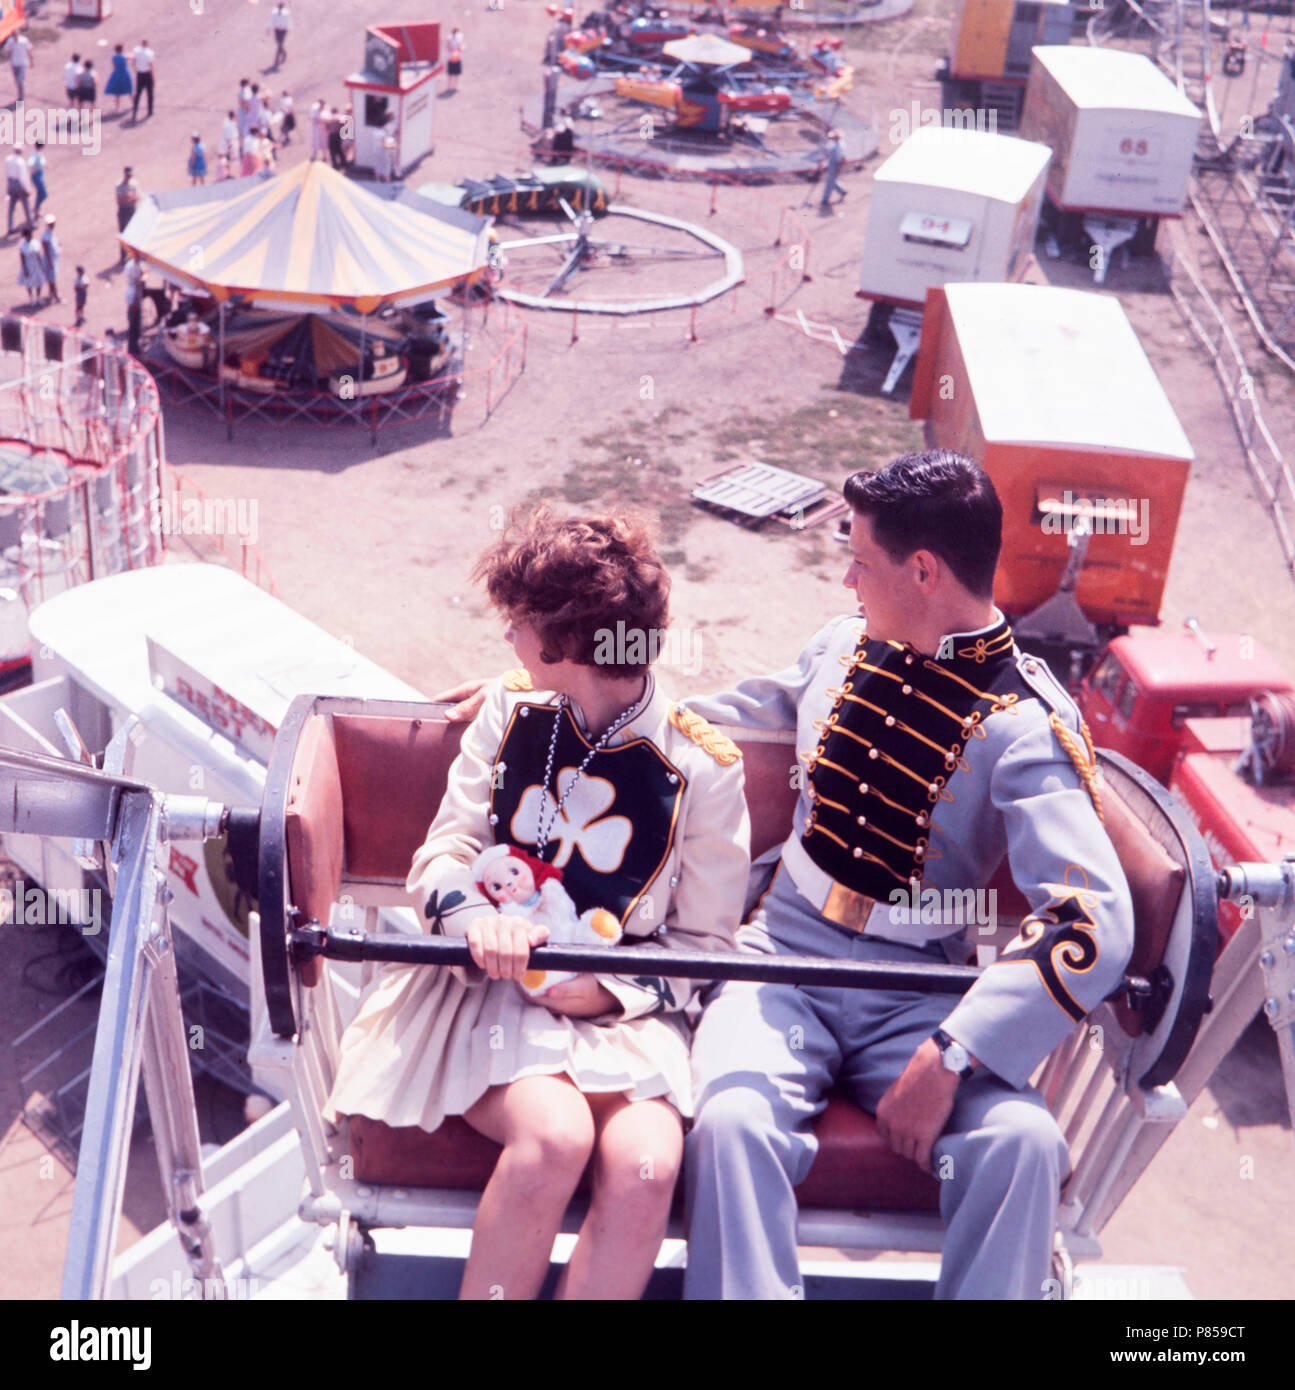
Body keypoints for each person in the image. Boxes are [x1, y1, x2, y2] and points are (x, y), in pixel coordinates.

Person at [669, 451, 1134, 1300]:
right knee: (731, 1124)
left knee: (1022, 1146)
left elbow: (1089, 919)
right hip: (780, 957)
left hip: (918, 989)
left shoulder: (1025, 724)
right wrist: (541, 699)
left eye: (859, 561)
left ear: (923, 569)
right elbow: (702, 719)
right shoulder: (839, 645)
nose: (846, 579)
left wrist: (954, 1053)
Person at [324, 508, 750, 1301]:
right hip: (484, 989)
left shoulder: (702, 766)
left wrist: (608, 991)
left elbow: (705, 944)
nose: (508, 641)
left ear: (561, 641)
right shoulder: (510, 712)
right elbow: (444, 853)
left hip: (622, 1016)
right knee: (554, 1138)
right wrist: (471, 917)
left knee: (647, 1166)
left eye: (517, 623)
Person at [115, 166, 139, 266]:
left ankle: (133, 255)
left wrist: (128, 197)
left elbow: (137, 196)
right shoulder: (119, 185)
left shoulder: (134, 183)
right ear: (124, 175)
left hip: (132, 209)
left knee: (134, 232)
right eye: (128, 175)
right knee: (123, 234)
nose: (129, 177)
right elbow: (120, 200)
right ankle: (123, 256)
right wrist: (129, 197)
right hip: (123, 210)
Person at [820, 127, 846, 211]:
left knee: (829, 183)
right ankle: (842, 190)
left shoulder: (840, 146)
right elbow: (829, 153)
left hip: (835, 164)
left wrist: (838, 168)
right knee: (832, 180)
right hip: (831, 163)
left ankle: (825, 199)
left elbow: (842, 159)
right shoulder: (834, 144)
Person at [5, 147, 30, 235]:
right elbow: (23, 177)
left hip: (11, 183)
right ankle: (30, 223)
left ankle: (10, 227)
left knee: (11, 207)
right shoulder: (21, 161)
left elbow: (6, 174)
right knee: (26, 204)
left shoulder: (8, 159)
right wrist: (27, 189)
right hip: (19, 184)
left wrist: (7, 189)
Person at [104, 43, 133, 113]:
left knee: (117, 92)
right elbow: (132, 57)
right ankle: (133, 104)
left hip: (117, 73)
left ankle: (117, 107)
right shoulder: (124, 56)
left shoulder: (113, 57)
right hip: (125, 73)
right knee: (129, 89)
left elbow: (113, 66)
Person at [132, 40, 156, 121]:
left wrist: (136, 70)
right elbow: (151, 66)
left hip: (140, 74)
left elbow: (133, 62)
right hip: (147, 74)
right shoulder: (149, 53)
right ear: (147, 44)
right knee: (150, 93)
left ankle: (134, 111)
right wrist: (153, 77)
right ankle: (150, 110)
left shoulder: (136, 51)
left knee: (138, 94)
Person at [17, 227, 42, 306]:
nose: (31, 235)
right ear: (25, 236)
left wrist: (41, 265)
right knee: (28, 283)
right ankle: (31, 298)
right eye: (29, 235)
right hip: (28, 265)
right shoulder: (22, 245)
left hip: (36, 264)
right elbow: (22, 257)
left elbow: (38, 255)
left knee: (39, 281)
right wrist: (24, 269)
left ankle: (38, 297)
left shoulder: (36, 242)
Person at [124, 255, 143, 356]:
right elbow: (132, 303)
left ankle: (134, 349)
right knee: (133, 330)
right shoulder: (133, 289)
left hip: (133, 310)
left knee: (134, 331)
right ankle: (133, 350)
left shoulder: (132, 288)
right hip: (133, 311)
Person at [39, 215, 59, 305]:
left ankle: (51, 294)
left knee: (52, 278)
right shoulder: (46, 235)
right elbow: (45, 249)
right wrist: (50, 261)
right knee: (52, 279)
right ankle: (56, 296)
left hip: (54, 259)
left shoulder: (51, 233)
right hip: (49, 260)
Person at [7, 31, 31, 105]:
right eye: (13, 34)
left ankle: (21, 96)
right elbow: (9, 52)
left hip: (22, 62)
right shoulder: (10, 41)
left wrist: (31, 60)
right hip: (14, 63)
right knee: (17, 80)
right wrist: (9, 59)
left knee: (20, 81)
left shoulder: (24, 40)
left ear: (18, 33)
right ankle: (20, 92)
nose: (14, 36)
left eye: (15, 34)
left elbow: (28, 50)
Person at [268, 1, 291, 67]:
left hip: (283, 30)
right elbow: (271, 20)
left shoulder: (286, 13)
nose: (280, 8)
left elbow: (288, 21)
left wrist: (288, 28)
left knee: (280, 43)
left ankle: (277, 58)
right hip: (277, 30)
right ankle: (283, 52)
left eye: (281, 7)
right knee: (278, 42)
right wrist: (268, 28)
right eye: (279, 6)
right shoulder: (274, 13)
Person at [27, 142, 46, 214]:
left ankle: (37, 209)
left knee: (40, 193)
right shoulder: (34, 155)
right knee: (44, 194)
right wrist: (33, 169)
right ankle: (36, 208)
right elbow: (30, 164)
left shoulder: (39, 154)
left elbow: (42, 163)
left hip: (39, 174)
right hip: (37, 176)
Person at [446, 28, 464, 92]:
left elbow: (460, 46)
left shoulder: (459, 38)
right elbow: (448, 47)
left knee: (456, 73)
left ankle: (455, 86)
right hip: (451, 58)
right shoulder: (449, 38)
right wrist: (455, 49)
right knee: (451, 73)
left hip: (456, 57)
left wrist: (459, 49)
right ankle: (449, 86)